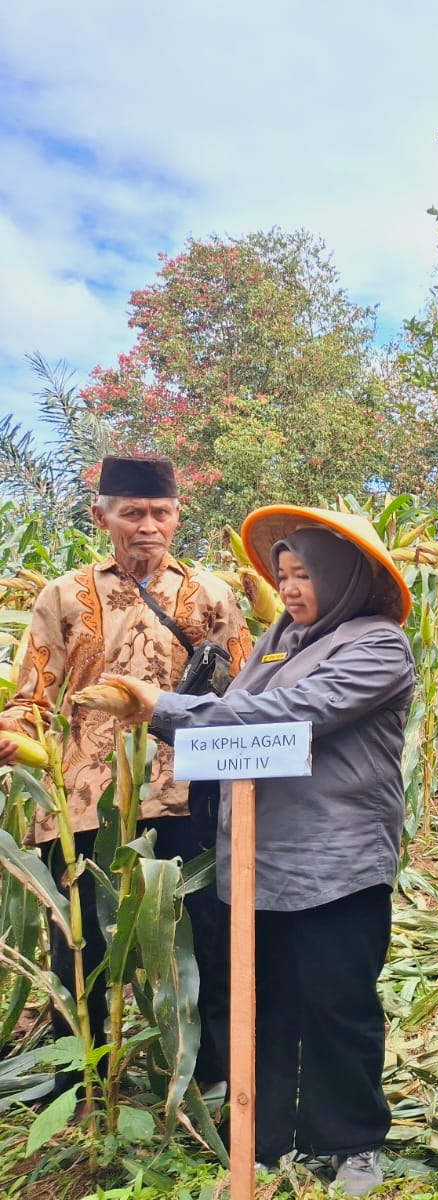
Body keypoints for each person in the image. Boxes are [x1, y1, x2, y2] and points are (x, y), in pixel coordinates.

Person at [90, 505, 416, 1195]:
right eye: (284, 575)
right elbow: (236, 719)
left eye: (305, 576)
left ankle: (351, 1140)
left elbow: (291, 715)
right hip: (257, 859)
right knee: (262, 1004)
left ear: (347, 578)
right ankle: (263, 1138)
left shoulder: (377, 646)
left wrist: (164, 709)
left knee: (338, 1003)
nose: (289, 589)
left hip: (334, 861)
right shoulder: (279, 641)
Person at [0, 456, 249, 1094]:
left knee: (202, 935)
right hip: (83, 796)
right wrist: (16, 739)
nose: (147, 526)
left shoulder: (212, 594)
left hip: (187, 793)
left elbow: (249, 694)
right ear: (101, 515)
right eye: (132, 513)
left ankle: (211, 1072)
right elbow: (33, 695)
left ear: (176, 517)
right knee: (79, 941)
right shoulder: (61, 595)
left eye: (159, 513)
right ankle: (84, 1081)